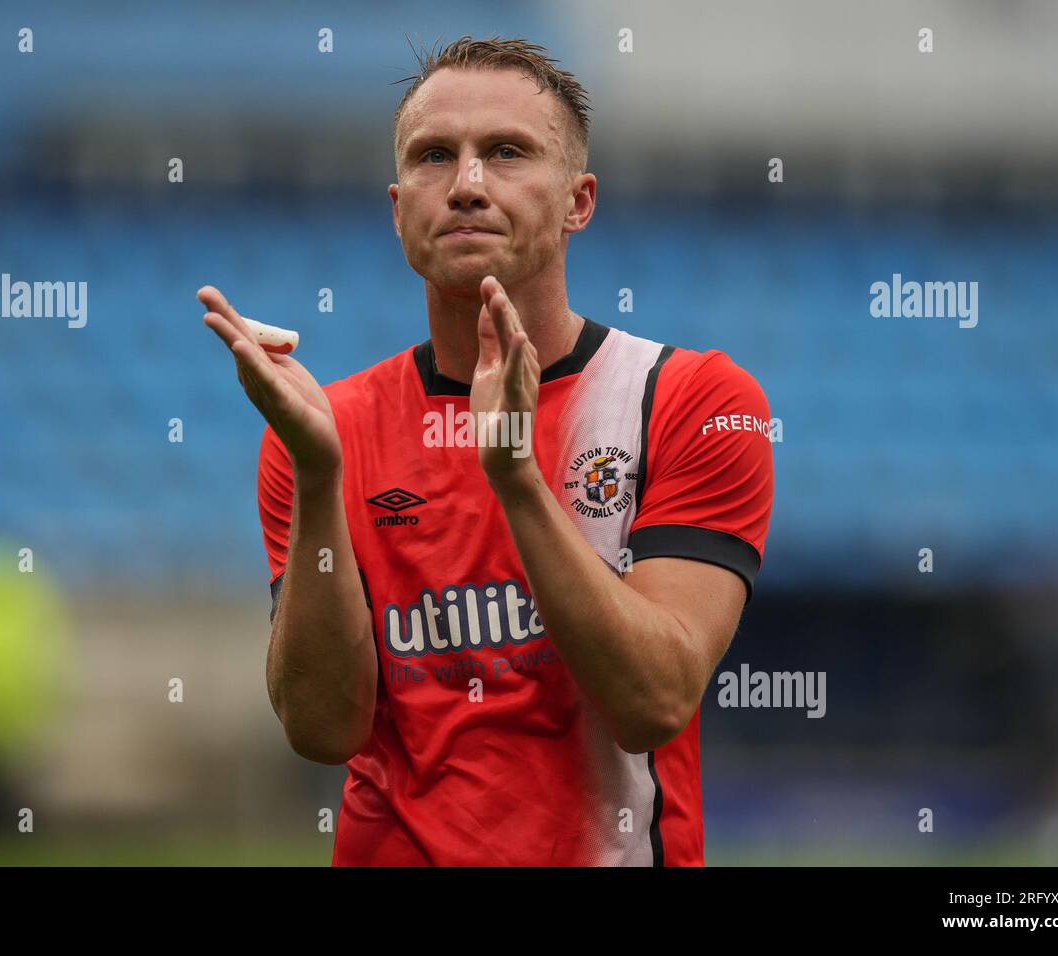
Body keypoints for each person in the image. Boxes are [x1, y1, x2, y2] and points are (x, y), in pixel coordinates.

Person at [199, 35, 774, 866]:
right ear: (400, 210)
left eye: (506, 152)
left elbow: (654, 699)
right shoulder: (325, 430)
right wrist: (322, 481)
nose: (467, 184)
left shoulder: (691, 400)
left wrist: (514, 473)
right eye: (436, 157)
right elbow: (324, 730)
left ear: (579, 201)